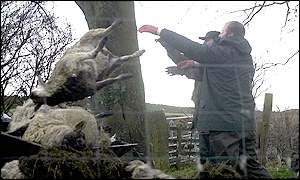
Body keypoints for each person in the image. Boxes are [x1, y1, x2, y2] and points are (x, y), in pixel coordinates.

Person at [138, 21, 272, 178]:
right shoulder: (241, 56)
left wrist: (160, 31)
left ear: (229, 34)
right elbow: (205, 66)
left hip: (224, 126)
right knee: (250, 167)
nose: (219, 36)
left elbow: (193, 49)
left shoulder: (225, 52)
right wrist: (193, 63)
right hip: (242, 124)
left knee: (222, 171)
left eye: (221, 33)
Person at [156, 31, 220, 131]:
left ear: (217, 40)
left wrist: (182, 71)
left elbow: (201, 73)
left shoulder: (220, 61)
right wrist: (169, 47)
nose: (204, 43)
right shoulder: (203, 59)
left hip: (215, 120)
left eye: (207, 40)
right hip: (202, 115)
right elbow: (183, 62)